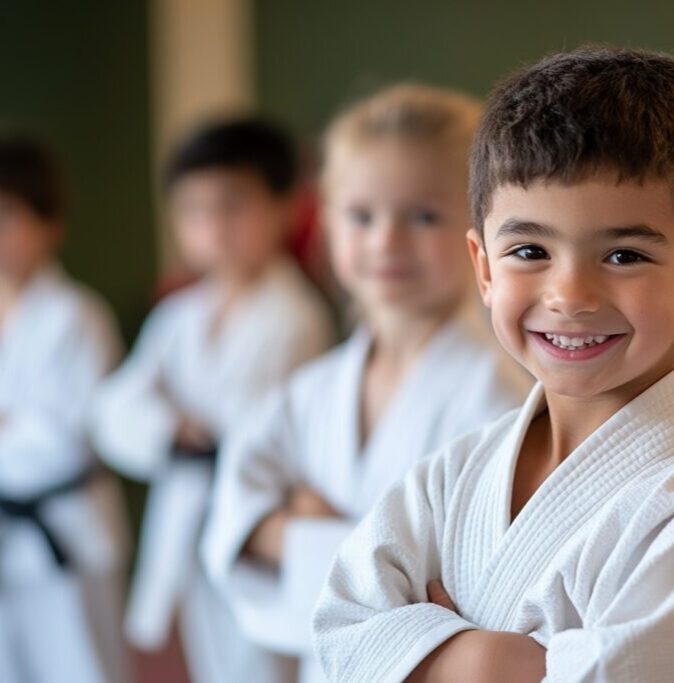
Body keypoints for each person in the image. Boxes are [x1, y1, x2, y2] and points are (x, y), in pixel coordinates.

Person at [312, 47, 674, 683]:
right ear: (484, 269)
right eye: (529, 249)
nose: (570, 295)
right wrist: (515, 661)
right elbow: (338, 630)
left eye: (625, 256)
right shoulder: (454, 474)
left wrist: (437, 654)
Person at [202, 84, 530, 683]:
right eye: (361, 215)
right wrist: (363, 550)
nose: (386, 241)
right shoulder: (314, 390)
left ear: (484, 229)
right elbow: (236, 510)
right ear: (324, 221)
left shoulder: (495, 391)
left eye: (424, 215)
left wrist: (301, 528)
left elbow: (463, 588)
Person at [90, 117, 332, 683]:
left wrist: (187, 423)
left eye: (232, 207)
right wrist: (169, 428)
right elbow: (115, 406)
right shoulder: (178, 315)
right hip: (190, 509)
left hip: (257, 518)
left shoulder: (293, 316)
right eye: (194, 211)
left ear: (284, 208)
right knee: (206, 661)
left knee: (257, 662)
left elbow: (255, 428)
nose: (213, 228)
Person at [0, 133, 129, 683]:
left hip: (68, 535)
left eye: (7, 214)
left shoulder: (78, 316)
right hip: (8, 535)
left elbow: (67, 441)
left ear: (51, 223)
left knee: (80, 667)